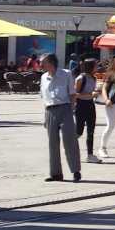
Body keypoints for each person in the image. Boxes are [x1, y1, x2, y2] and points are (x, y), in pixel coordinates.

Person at [40, 54, 82, 182]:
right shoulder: (43, 77)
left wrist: (71, 110)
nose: (41, 65)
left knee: (70, 140)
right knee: (52, 143)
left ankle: (75, 170)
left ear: (51, 62)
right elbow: (44, 97)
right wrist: (45, 117)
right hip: (50, 110)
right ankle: (56, 173)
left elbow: (72, 94)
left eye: (43, 62)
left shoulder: (66, 74)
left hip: (65, 108)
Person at [73, 59, 102, 163]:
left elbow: (91, 92)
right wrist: (90, 95)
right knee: (79, 131)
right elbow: (75, 95)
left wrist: (96, 92)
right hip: (80, 106)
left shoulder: (94, 78)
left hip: (90, 105)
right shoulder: (81, 78)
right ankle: (69, 144)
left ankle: (90, 155)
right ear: (90, 66)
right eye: (95, 66)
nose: (97, 67)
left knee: (91, 131)